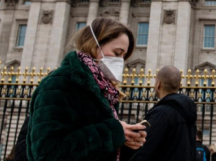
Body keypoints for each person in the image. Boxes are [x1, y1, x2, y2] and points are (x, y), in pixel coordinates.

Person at [27, 18, 147, 161]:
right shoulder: (59, 83)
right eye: (117, 53)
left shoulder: (104, 89)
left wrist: (127, 141)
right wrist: (113, 132)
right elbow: (47, 152)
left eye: (123, 56)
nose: (121, 61)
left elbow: (99, 150)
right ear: (94, 45)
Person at [130, 65, 197, 161]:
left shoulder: (162, 113)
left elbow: (145, 149)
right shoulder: (187, 111)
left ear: (158, 84)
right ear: (179, 86)